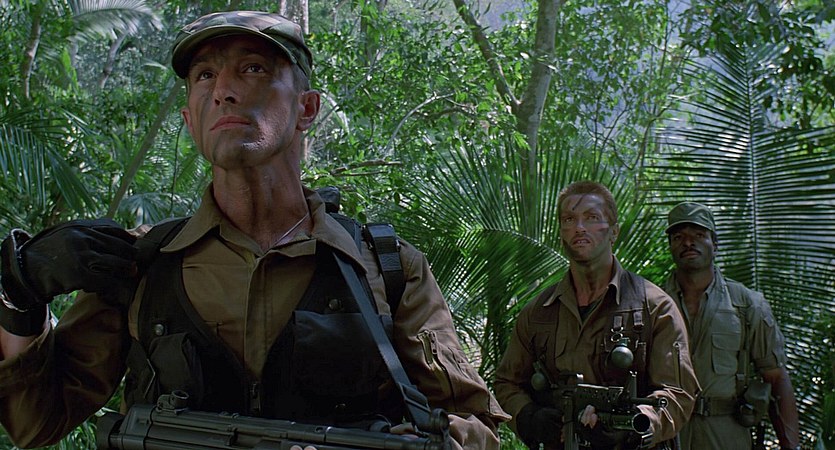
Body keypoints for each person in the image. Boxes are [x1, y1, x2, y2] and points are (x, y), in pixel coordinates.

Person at [0, 10, 508, 449]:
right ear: (190, 120)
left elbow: (475, 424)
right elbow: (35, 422)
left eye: (253, 68)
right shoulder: (140, 265)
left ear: (306, 108)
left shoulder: (384, 266)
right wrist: (19, 296)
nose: (223, 91)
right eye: (204, 76)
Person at [494, 181, 699, 450]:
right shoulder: (538, 312)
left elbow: (677, 393)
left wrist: (635, 424)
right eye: (569, 219)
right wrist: (529, 417)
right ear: (561, 232)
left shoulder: (654, 307)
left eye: (591, 218)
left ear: (614, 232)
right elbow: (507, 383)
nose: (579, 227)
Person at [661, 202, 800, 450]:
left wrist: (791, 446)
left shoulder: (747, 305)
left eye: (699, 235)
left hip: (727, 434)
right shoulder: (652, 304)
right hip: (667, 432)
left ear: (715, 245)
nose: (688, 243)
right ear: (670, 246)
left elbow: (776, 377)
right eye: (678, 237)